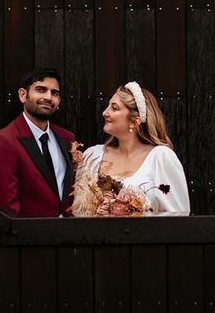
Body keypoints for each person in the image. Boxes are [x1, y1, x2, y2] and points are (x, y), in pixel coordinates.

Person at [71, 81, 190, 215]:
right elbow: (78, 212)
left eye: (114, 108)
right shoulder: (92, 155)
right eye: (108, 106)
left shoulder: (160, 158)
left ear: (134, 121)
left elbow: (178, 215)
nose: (105, 112)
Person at [0, 67, 75, 216]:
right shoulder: (3, 141)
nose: (48, 97)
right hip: (30, 235)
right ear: (22, 94)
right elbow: (7, 208)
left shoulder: (67, 139)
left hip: (70, 233)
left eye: (55, 93)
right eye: (40, 89)